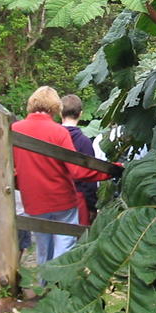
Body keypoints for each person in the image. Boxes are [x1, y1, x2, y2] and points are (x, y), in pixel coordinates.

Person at [12, 87, 109, 265]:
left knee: (43, 248)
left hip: (34, 200)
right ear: (55, 107)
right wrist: (112, 170)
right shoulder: (58, 132)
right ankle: (57, 286)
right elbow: (77, 171)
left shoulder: (15, 129)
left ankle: (44, 285)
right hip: (62, 199)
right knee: (64, 246)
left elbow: (10, 167)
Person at [60, 94, 98, 225]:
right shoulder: (84, 142)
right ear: (80, 114)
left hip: (54, 194)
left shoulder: (52, 137)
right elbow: (90, 176)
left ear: (60, 113)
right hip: (78, 197)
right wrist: (92, 205)